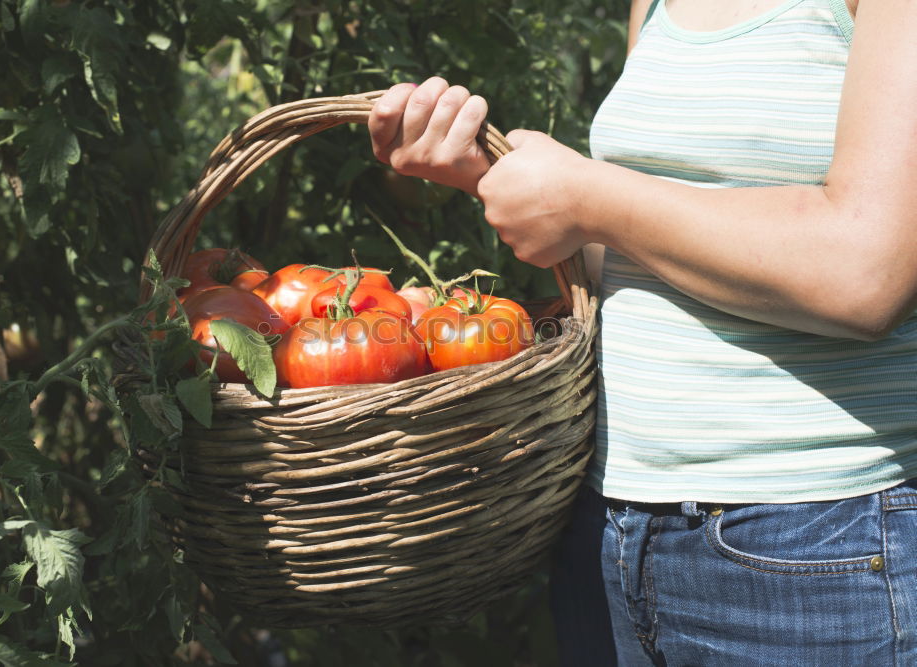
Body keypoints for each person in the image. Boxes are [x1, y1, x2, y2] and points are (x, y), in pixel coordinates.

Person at [367, 0, 917, 664]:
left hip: (810, 542)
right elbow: (647, 248)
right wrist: (494, 177)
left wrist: (586, 196)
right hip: (611, 523)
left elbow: (869, 271)